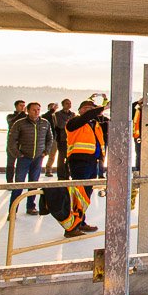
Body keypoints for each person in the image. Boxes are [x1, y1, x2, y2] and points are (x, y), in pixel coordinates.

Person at [62, 99, 108, 237]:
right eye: (87, 109)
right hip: (79, 161)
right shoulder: (73, 122)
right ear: (80, 110)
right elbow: (86, 117)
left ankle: (80, 222)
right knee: (79, 194)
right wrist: (103, 107)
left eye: (91, 109)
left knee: (85, 195)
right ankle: (71, 228)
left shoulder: (95, 124)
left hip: (92, 162)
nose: (90, 111)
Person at [8, 101, 55, 215]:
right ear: (28, 111)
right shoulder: (20, 123)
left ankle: (31, 207)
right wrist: (18, 154)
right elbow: (12, 140)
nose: (36, 112)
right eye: (34, 110)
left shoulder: (45, 123)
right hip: (24, 158)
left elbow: (50, 138)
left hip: (38, 158)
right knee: (19, 185)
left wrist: (46, 151)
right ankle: (13, 211)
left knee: (34, 184)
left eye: (38, 109)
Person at [131, 100, 148, 173]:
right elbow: (130, 108)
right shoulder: (136, 111)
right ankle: (139, 169)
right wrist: (137, 102)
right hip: (139, 135)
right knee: (139, 152)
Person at [4, 99, 26, 183]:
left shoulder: (26, 117)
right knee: (10, 163)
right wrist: (21, 114)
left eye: (24, 106)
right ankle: (9, 181)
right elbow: (12, 122)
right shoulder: (10, 116)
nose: (22, 107)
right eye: (21, 105)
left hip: (23, 144)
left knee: (21, 164)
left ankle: (19, 182)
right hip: (12, 144)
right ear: (16, 106)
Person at [52, 98, 75, 175]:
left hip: (71, 139)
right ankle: (61, 174)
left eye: (70, 103)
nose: (69, 105)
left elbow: (74, 125)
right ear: (63, 105)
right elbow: (60, 125)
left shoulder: (72, 114)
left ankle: (68, 173)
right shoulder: (58, 114)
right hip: (61, 138)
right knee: (61, 157)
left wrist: (68, 123)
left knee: (69, 157)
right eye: (67, 103)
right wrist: (69, 123)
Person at [41, 103, 58, 176]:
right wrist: (52, 110)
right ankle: (37, 168)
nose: (53, 108)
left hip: (55, 138)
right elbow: (45, 117)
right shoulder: (45, 116)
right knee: (42, 154)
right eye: (51, 107)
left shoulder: (57, 116)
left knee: (52, 155)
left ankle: (48, 170)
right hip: (45, 139)